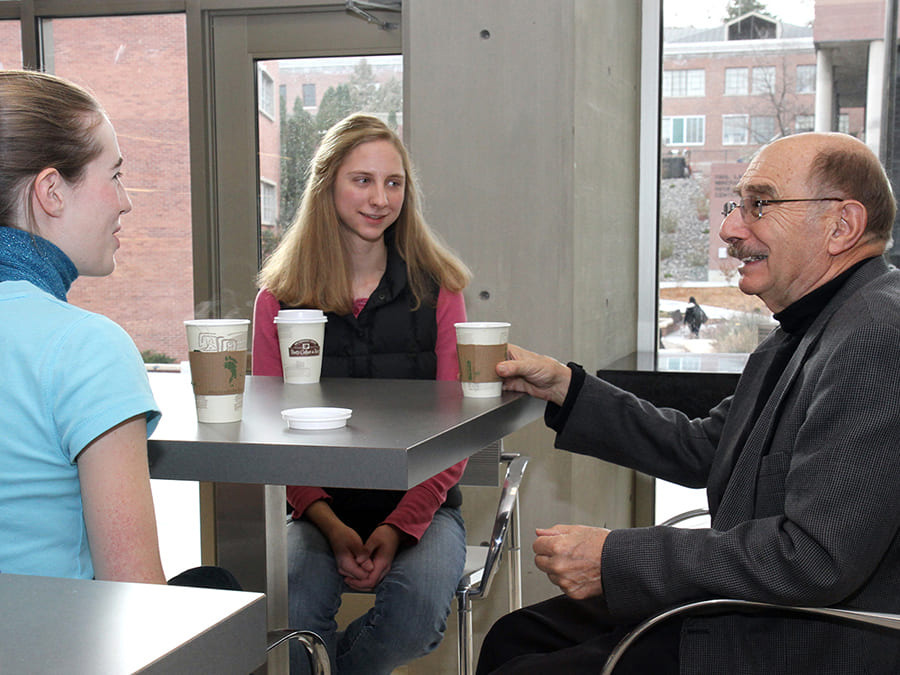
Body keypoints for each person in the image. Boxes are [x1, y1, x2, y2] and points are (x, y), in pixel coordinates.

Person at [477, 132, 900, 674]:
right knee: (515, 635)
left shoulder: (876, 335)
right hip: (752, 607)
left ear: (841, 226)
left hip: (793, 640)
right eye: (736, 206)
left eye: (760, 205)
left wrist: (615, 558)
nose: (729, 229)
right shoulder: (807, 328)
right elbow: (704, 448)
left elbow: (814, 558)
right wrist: (565, 386)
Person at [0, 69, 239, 592]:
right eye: (114, 175)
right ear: (51, 191)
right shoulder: (85, 348)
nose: (125, 200)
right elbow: (136, 600)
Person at [252, 113, 472, 675]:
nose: (380, 198)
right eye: (362, 180)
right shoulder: (279, 299)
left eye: (393, 183)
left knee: (416, 619)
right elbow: (269, 431)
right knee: (292, 617)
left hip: (423, 509)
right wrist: (329, 522)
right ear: (327, 187)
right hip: (313, 511)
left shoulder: (440, 291)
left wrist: (397, 529)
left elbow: (458, 430)